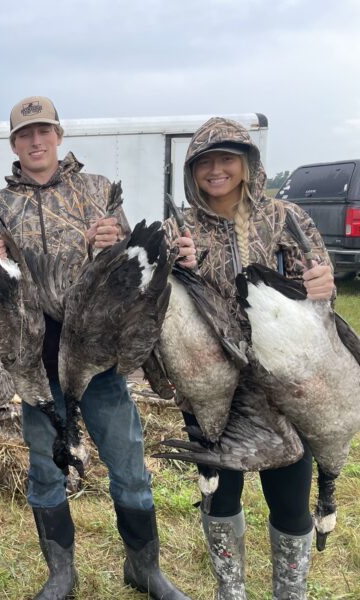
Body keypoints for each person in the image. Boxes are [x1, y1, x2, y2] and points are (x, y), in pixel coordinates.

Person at [0, 96, 189, 600]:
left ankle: (144, 568)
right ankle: (61, 575)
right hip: (36, 363)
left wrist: (118, 236)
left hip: (98, 359)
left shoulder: (99, 191)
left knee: (128, 461)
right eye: (25, 134)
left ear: (59, 135)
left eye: (44, 131)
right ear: (14, 144)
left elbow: (134, 264)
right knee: (46, 468)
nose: (36, 141)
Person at [167, 116, 334, 599]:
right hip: (214, 384)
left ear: (246, 164)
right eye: (205, 163)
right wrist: (176, 271)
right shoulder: (178, 228)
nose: (216, 170)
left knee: (290, 494)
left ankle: (291, 593)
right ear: (192, 171)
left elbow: (319, 293)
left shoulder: (286, 218)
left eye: (227, 159)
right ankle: (231, 592)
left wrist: (321, 289)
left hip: (283, 382)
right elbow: (160, 311)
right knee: (220, 493)